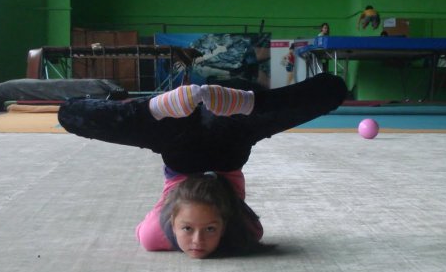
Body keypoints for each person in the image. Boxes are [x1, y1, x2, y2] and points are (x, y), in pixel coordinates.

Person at [58, 73, 347, 259]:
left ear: (172, 219)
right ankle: (246, 103)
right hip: (228, 137)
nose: (197, 242)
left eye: (196, 229)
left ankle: (155, 109)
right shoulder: (245, 231)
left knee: (71, 114)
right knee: (330, 91)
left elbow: (69, 112)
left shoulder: (155, 236)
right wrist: (254, 105)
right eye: (210, 229)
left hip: (182, 144)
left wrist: (151, 111)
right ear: (226, 223)